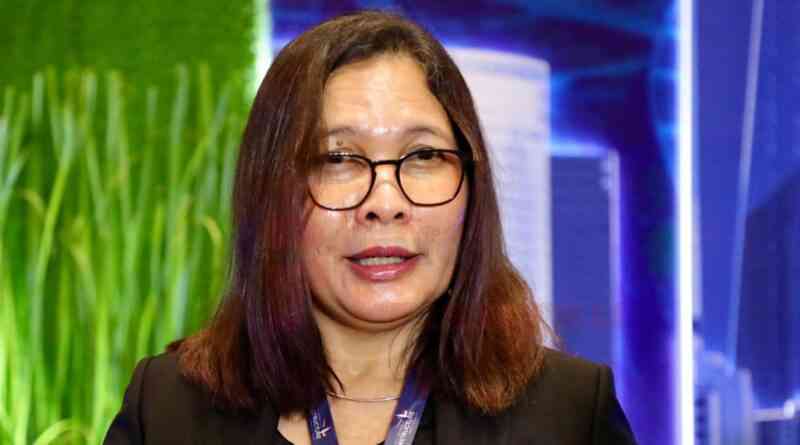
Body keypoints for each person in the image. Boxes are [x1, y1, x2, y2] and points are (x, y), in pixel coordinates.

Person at [104, 10, 636, 445]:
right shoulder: (167, 411)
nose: (385, 203)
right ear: (272, 192)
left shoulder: (568, 414)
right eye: (338, 159)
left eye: (423, 155)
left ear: (471, 186)